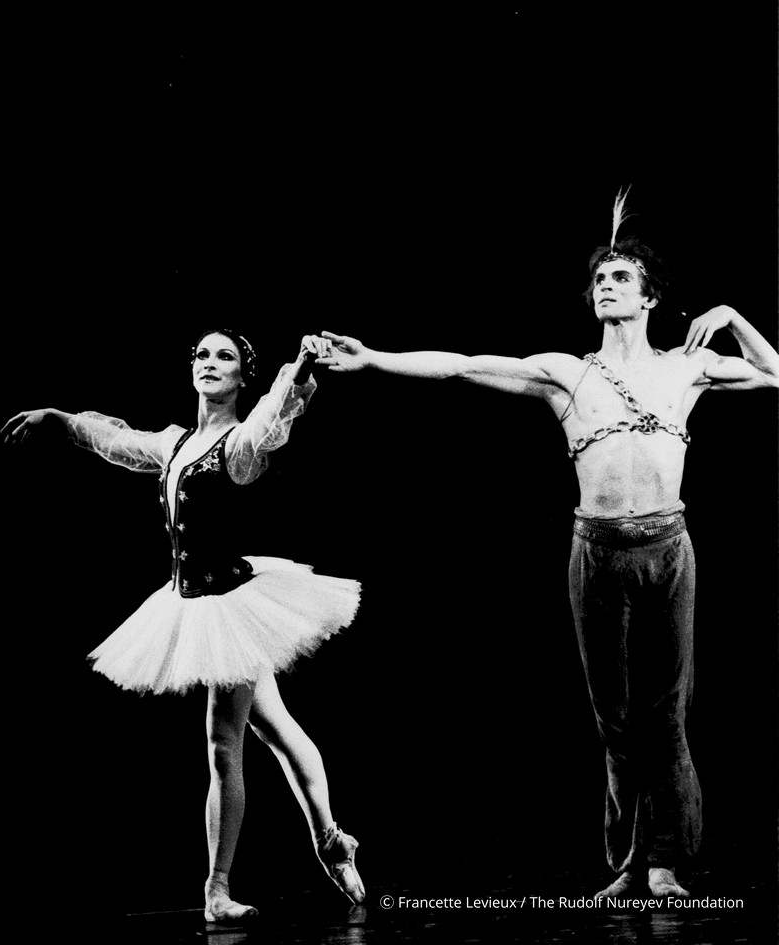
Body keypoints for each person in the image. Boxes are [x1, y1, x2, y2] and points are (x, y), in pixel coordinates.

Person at [314, 195, 779, 899]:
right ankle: (628, 865)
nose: (606, 286)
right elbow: (463, 365)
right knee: (614, 715)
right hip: (597, 553)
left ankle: (665, 862)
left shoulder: (688, 368)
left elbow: (773, 372)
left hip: (668, 549)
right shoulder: (568, 372)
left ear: (650, 297)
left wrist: (734, 317)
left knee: (666, 712)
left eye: (621, 277)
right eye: (600, 279)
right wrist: (374, 358)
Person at [2, 328, 365, 922]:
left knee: (224, 743)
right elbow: (115, 439)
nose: (210, 363)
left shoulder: (237, 443)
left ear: (242, 376)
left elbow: (273, 418)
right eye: (202, 354)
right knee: (277, 730)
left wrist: (299, 368)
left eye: (225, 356)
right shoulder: (175, 444)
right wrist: (57, 418)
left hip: (232, 608)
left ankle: (216, 889)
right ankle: (331, 840)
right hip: (193, 601)